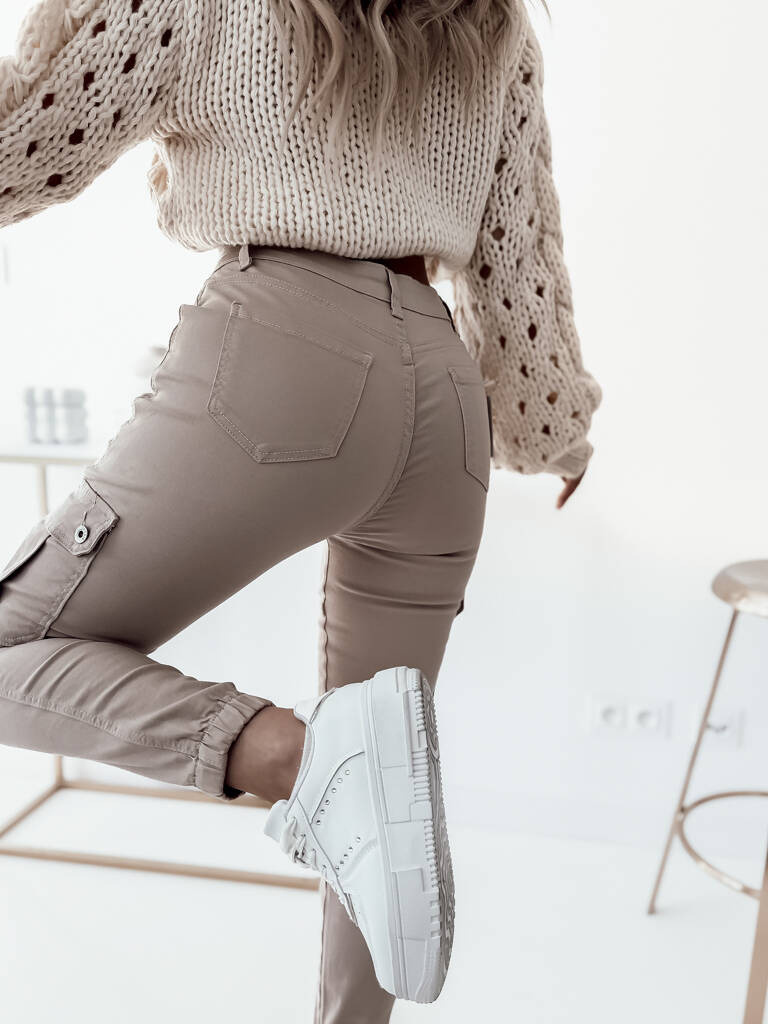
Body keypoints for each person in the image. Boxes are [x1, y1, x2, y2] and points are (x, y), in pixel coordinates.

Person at [0, 0, 601, 1019]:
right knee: (388, 799)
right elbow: (519, 261)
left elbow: (28, 138)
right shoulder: (495, 25)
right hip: (443, 395)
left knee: (15, 644)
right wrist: (553, 429)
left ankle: (297, 756)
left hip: (284, 359)